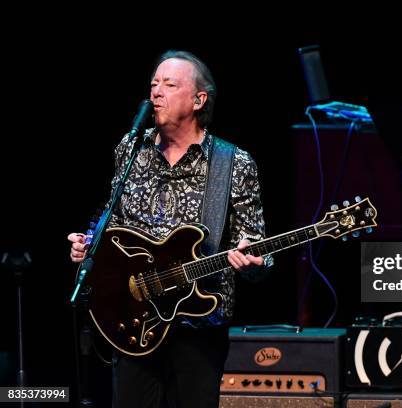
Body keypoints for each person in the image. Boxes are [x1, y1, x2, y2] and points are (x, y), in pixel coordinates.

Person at [67, 50, 271, 408]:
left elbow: (258, 249)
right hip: (133, 319)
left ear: (198, 99)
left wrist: (255, 261)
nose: (156, 92)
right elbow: (112, 223)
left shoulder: (233, 163)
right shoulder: (132, 148)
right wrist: (90, 245)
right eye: (154, 84)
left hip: (198, 326)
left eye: (169, 84)